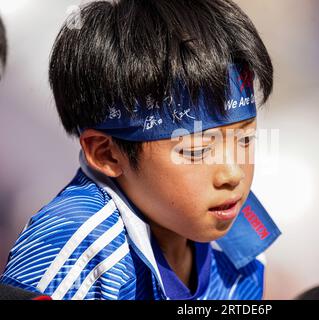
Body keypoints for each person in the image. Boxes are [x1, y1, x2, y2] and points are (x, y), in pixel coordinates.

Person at [0, 0, 280, 300]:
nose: (232, 173)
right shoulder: (76, 246)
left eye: (245, 139)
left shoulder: (241, 230)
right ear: (107, 153)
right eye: (197, 150)